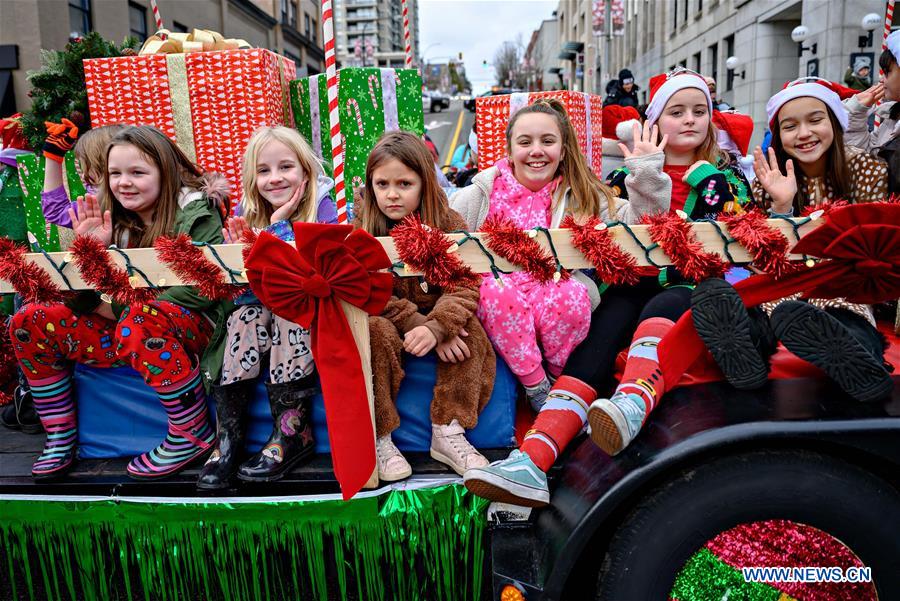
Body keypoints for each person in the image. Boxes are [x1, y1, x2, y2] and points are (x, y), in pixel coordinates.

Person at [464, 69, 751, 507]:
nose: (689, 120)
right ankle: (533, 461)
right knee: (604, 329)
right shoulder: (608, 181)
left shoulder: (723, 177)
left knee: (659, 304)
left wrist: (683, 178)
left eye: (699, 112)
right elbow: (635, 225)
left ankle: (632, 402)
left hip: (687, 283)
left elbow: (701, 230)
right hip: (627, 283)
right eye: (677, 111)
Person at [8, 125, 233, 480]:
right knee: (29, 320)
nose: (124, 182)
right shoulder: (107, 218)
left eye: (137, 172)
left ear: (166, 172)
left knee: (142, 318)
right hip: (126, 327)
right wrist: (89, 253)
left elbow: (203, 288)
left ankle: (192, 433)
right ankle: (60, 436)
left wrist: (113, 308)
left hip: (189, 330)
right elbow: (87, 299)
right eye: (115, 173)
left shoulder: (195, 214)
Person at [692, 77, 892, 403]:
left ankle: (862, 363)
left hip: (841, 281)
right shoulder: (765, 178)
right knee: (763, 312)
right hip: (782, 280)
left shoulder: (866, 169)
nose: (803, 134)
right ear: (779, 135)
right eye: (790, 126)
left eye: (815, 120)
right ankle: (746, 358)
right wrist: (781, 207)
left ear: (834, 122)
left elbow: (875, 240)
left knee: (847, 316)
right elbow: (758, 252)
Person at [196, 126, 338, 490]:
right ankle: (229, 438)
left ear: (305, 171)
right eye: (263, 170)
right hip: (261, 307)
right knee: (243, 318)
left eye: (286, 167)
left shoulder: (324, 206)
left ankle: (292, 434)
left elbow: (310, 283)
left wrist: (278, 231)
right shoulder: (247, 213)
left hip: (314, 310)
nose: (274, 179)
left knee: (288, 317)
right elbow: (242, 291)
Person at [355, 131, 496, 480]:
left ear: (423, 183)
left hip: (439, 316)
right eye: (382, 183)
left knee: (471, 333)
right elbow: (366, 291)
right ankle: (381, 436)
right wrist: (414, 321)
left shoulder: (447, 224)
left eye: (404, 183)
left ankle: (448, 431)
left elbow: (464, 282)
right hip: (391, 320)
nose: (391, 194)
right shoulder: (364, 229)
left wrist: (438, 327)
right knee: (371, 331)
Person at [450, 99, 607, 410]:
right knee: (493, 289)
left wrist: (646, 175)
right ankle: (537, 388)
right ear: (509, 150)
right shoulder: (478, 195)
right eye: (525, 142)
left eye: (547, 141)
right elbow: (440, 232)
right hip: (498, 304)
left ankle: (561, 385)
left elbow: (637, 221)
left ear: (562, 150)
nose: (537, 150)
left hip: (554, 297)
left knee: (571, 294)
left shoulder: (581, 194)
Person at [40, 120, 127, 227]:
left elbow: (56, 212)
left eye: (88, 168)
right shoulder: (96, 204)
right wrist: (53, 155)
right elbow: (57, 212)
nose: (83, 176)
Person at [844, 30, 900, 193]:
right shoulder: (891, 120)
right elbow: (865, 161)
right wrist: (855, 112)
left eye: (887, 72)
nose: (882, 79)